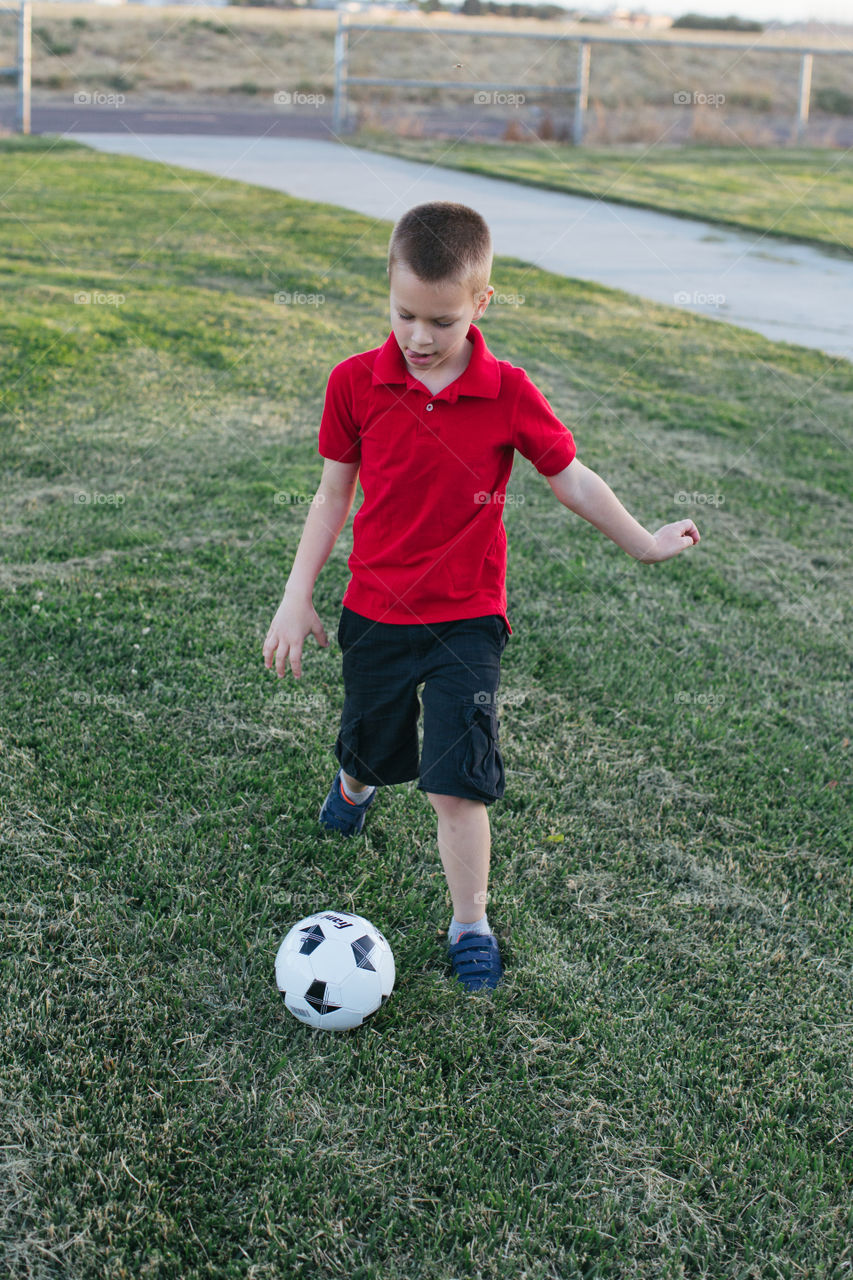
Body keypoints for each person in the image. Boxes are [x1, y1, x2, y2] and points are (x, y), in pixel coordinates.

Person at [263, 201, 699, 994]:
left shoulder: (507, 392)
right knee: (373, 741)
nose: (420, 337)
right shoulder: (354, 383)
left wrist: (641, 540)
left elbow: (567, 475)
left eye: (442, 319)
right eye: (404, 315)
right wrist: (298, 597)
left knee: (454, 780)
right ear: (387, 292)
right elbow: (331, 497)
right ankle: (355, 783)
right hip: (375, 612)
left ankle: (470, 921)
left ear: (481, 304)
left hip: (467, 618)